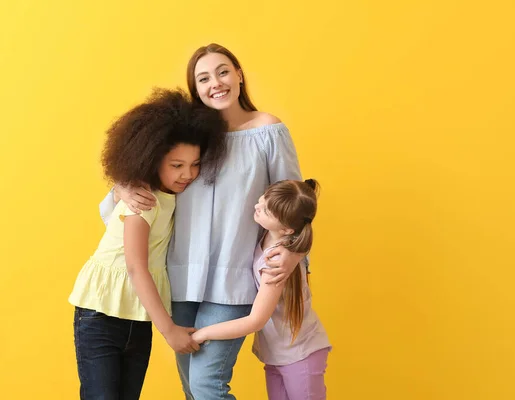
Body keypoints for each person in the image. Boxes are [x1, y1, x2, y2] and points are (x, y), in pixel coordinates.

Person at [99, 43, 305, 399]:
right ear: (196, 89)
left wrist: (294, 253)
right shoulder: (190, 137)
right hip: (181, 281)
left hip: (235, 279)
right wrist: (120, 188)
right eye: (204, 78)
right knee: (191, 388)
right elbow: (140, 179)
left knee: (207, 385)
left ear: (239, 74)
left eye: (223, 71)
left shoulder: (269, 131)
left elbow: (297, 207)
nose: (216, 83)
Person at [69, 88, 227, 400]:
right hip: (100, 315)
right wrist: (170, 330)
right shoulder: (143, 200)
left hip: (138, 319)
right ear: (151, 158)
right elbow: (135, 266)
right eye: (177, 165)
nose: (188, 174)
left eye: (195, 164)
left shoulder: (174, 197)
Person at [192, 179, 331, 400]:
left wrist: (204, 333)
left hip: (300, 354)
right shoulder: (273, 238)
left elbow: (255, 321)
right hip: (278, 354)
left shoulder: (275, 263)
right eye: (263, 198)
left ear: (286, 229)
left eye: (266, 209)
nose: (257, 205)